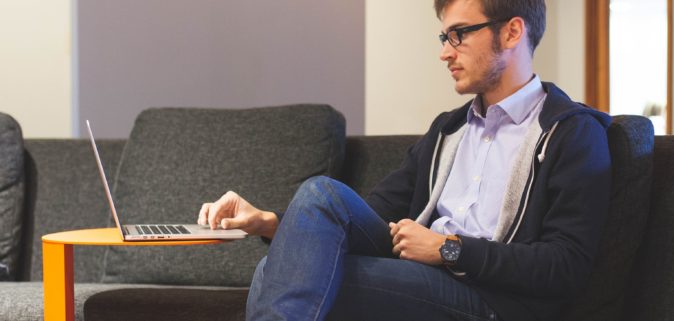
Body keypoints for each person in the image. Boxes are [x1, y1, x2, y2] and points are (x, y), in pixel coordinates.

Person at [197, 0, 611, 320]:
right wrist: (268, 221)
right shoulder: (449, 131)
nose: (445, 53)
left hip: (493, 301)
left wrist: (448, 250)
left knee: (279, 273)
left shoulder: (570, 133)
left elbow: (565, 265)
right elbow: (371, 214)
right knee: (319, 196)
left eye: (459, 34)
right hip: (424, 276)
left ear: (512, 32)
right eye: (444, 37)